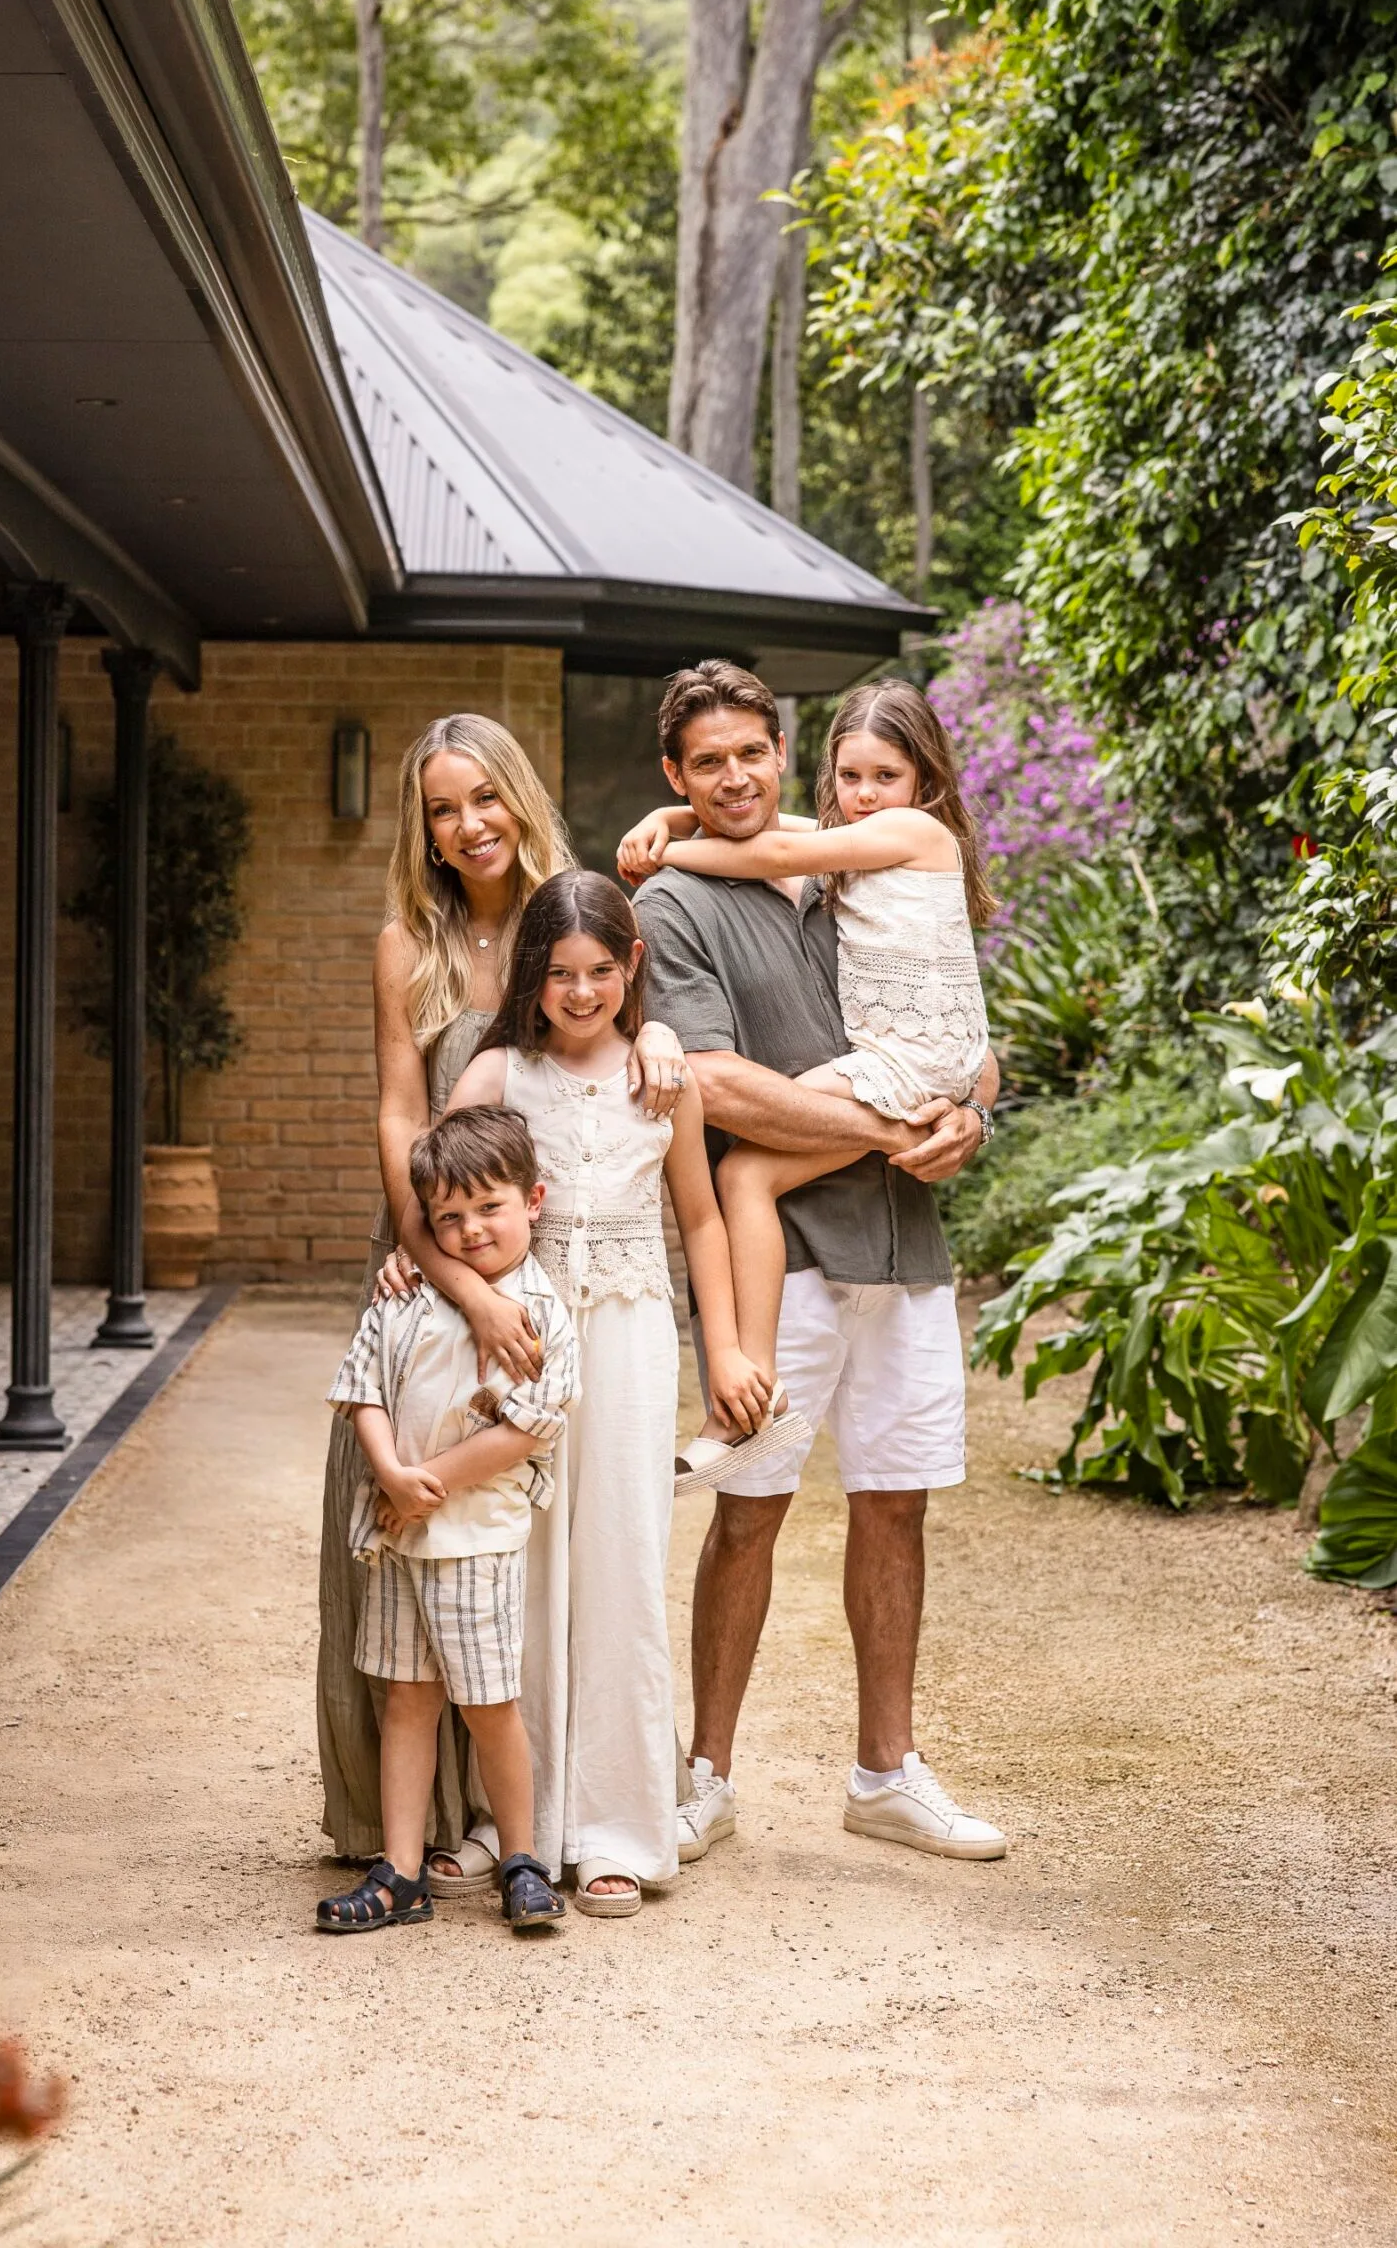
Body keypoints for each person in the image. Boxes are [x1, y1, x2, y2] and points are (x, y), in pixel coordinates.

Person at [621, 661, 1009, 1865]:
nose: (736, 777)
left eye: (753, 752)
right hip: (778, 1257)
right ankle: (705, 1778)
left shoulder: (856, 855)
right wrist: (895, 1130)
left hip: (906, 1245)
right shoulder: (673, 906)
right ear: (676, 777)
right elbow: (715, 1082)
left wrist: (973, 1115)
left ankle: (886, 1774)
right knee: (750, 1511)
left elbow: (956, 1025)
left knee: (897, 1509)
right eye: (707, 764)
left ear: (782, 752)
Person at [316, 712, 687, 1873]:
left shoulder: (560, 918)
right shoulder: (406, 945)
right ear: (421, 828)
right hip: (432, 1244)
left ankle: (550, 1811)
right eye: (441, 806)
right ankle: (409, 1822)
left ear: (519, 799)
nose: (466, 824)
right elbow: (395, 1109)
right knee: (393, 1517)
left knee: (541, 1534)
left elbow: (624, 991)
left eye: (484, 797)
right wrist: (432, 1256)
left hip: (550, 1258)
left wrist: (664, 1025)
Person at [440, 872, 775, 1914]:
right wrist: (457, 1285)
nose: (580, 992)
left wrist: (724, 1351)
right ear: (530, 976)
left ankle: (624, 1823)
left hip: (631, 1336)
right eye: (559, 974)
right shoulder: (498, 1071)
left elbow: (705, 1219)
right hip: (524, 1340)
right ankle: (519, 1820)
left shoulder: (664, 1079)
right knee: (524, 1562)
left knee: (622, 1562)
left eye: (600, 971)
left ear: (630, 966)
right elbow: (429, 1195)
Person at [620, 677, 993, 1417]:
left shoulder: (889, 841)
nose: (864, 793)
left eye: (886, 777)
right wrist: (673, 820)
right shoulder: (845, 846)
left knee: (746, 1179)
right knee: (750, 1179)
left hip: (904, 1179)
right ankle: (751, 1382)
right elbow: (712, 1082)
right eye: (850, 777)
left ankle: (747, 1378)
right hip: (812, 1243)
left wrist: (673, 849)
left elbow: (763, 850)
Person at [316, 1106, 578, 1937]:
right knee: (405, 1699)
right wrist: (388, 1473)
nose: (468, 1232)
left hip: (475, 1540)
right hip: (397, 1540)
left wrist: (421, 1482)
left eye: (488, 1209)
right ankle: (397, 1872)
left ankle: (522, 1860)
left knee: (489, 1702)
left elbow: (529, 1424)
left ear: (532, 1200)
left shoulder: (538, 1310)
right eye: (447, 1219)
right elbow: (360, 1387)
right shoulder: (404, 1292)